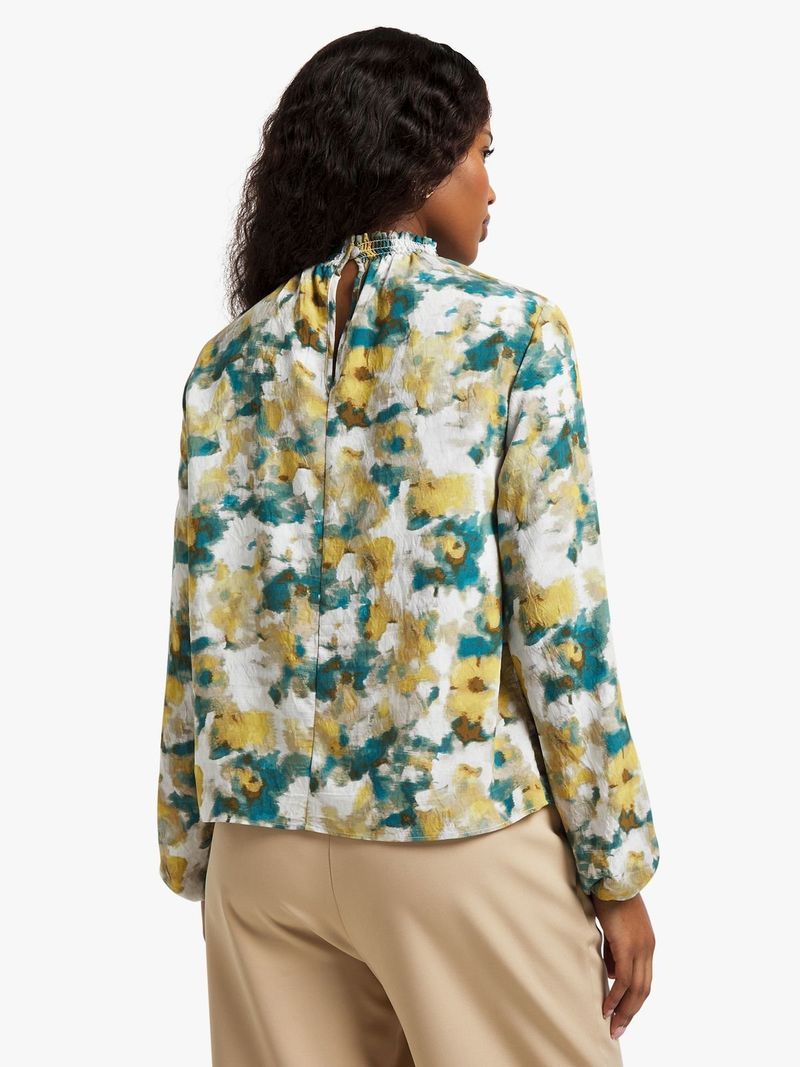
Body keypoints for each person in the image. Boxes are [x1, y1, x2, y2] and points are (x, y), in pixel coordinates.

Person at [156, 25, 659, 1067]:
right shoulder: (510, 333)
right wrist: (616, 868)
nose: (490, 186)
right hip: (451, 834)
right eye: (481, 152)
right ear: (420, 166)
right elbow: (559, 630)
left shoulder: (226, 362)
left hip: (260, 851)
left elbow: (199, 620)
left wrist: (190, 841)